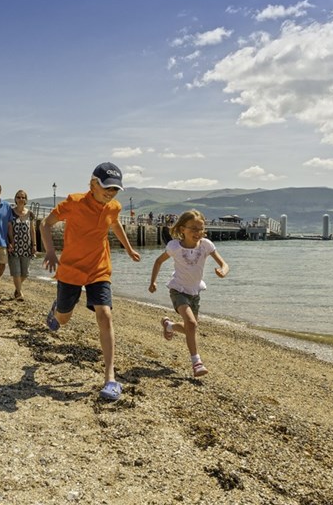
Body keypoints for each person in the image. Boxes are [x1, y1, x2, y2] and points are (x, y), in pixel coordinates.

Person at [41, 162, 141, 401]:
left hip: (99, 269)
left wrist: (128, 249)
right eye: (107, 187)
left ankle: (110, 378)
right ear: (93, 184)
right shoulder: (74, 203)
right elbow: (46, 224)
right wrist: (51, 252)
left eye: (115, 189)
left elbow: (115, 224)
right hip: (72, 270)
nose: (111, 193)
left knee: (105, 315)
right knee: (64, 319)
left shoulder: (113, 206)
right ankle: (57, 310)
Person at [148, 209, 229, 378]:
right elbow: (158, 261)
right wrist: (153, 282)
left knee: (190, 328)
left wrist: (223, 270)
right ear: (182, 229)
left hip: (195, 292)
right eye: (193, 228)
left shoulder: (206, 245)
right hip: (178, 290)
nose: (197, 232)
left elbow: (224, 263)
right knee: (191, 324)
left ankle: (169, 325)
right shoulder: (175, 247)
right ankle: (197, 363)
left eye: (200, 229)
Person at [8, 189, 37, 301]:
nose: (21, 199)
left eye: (23, 197)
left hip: (26, 246)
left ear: (26, 200)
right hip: (14, 246)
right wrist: (10, 242)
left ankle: (17, 288)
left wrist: (34, 245)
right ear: (15, 199)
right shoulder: (10, 212)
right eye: (19, 197)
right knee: (16, 271)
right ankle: (19, 293)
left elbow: (33, 230)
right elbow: (8, 228)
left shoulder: (30, 214)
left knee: (25, 273)